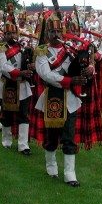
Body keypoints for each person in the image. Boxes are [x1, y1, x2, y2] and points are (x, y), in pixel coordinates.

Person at [34, 12, 94, 187]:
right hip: (52, 97)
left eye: (58, 31)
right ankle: (51, 164)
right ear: (47, 34)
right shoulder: (42, 52)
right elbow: (46, 74)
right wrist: (69, 81)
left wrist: (87, 69)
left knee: (69, 136)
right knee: (52, 136)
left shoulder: (70, 49)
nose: (56, 35)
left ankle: (70, 173)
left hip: (70, 99)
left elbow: (79, 69)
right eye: (52, 32)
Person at [0, 6, 34, 155]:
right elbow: (2, 66)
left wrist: (30, 66)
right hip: (8, 85)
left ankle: (23, 145)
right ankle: (7, 141)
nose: (12, 35)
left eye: (13, 32)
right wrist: (20, 72)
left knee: (24, 114)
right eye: (9, 33)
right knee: (7, 114)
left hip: (23, 85)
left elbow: (27, 62)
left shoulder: (22, 46)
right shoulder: (0, 48)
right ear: (4, 34)